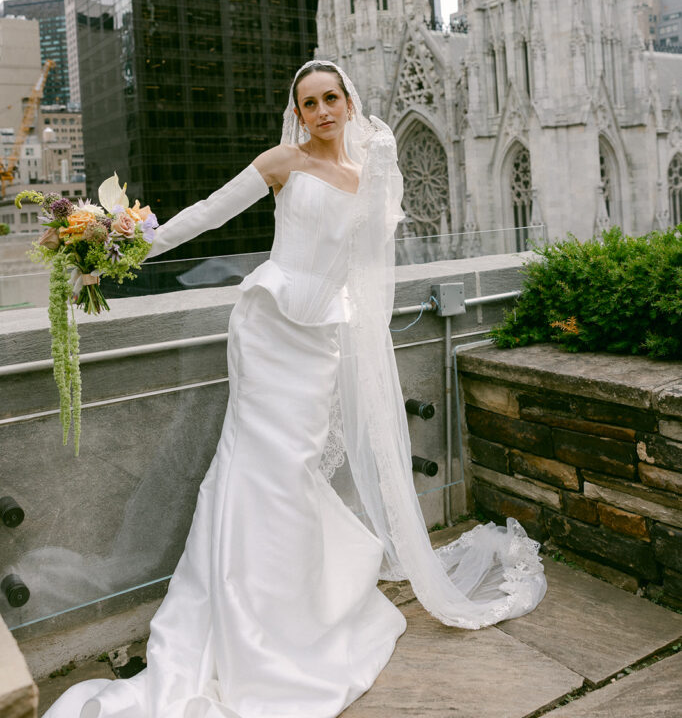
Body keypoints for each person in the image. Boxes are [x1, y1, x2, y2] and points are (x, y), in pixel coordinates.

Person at [43, 61, 546, 718]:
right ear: (299, 112)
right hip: (268, 332)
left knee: (293, 474)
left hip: (321, 344)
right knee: (251, 469)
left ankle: (290, 608)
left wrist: (383, 178)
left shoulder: (371, 177)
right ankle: (240, 613)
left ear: (347, 102)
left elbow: (370, 272)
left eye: (330, 98)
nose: (322, 111)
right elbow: (207, 213)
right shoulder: (282, 161)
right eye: (309, 103)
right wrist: (122, 252)